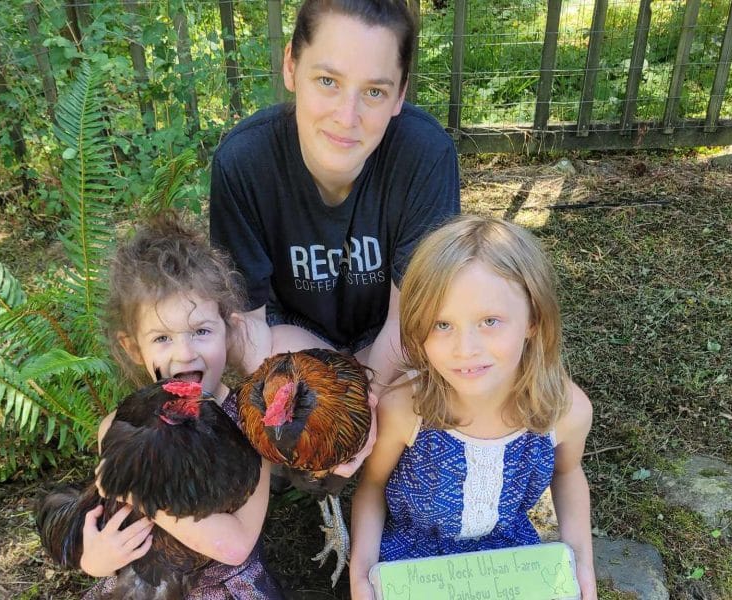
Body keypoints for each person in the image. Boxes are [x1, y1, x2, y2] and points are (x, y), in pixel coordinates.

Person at [209, 0, 461, 400]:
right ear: (291, 65)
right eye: (328, 81)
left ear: (400, 94)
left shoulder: (425, 156)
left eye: (375, 91)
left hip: (393, 347)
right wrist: (323, 401)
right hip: (287, 340)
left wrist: (362, 402)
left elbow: (412, 319)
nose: (347, 116)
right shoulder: (243, 163)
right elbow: (246, 322)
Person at [349, 215, 598, 600]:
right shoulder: (405, 410)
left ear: (533, 319)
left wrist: (581, 563)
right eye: (442, 324)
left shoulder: (565, 412)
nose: (465, 349)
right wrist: (361, 575)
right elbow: (373, 485)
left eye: (490, 321)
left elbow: (567, 474)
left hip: (510, 561)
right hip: (414, 565)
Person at [80, 213, 284, 599]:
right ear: (132, 348)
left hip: (225, 585)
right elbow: (108, 534)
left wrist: (137, 491)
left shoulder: (253, 424)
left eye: (201, 331)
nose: (184, 353)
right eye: (161, 338)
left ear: (230, 330)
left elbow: (236, 545)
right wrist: (94, 561)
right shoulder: (120, 428)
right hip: (147, 583)